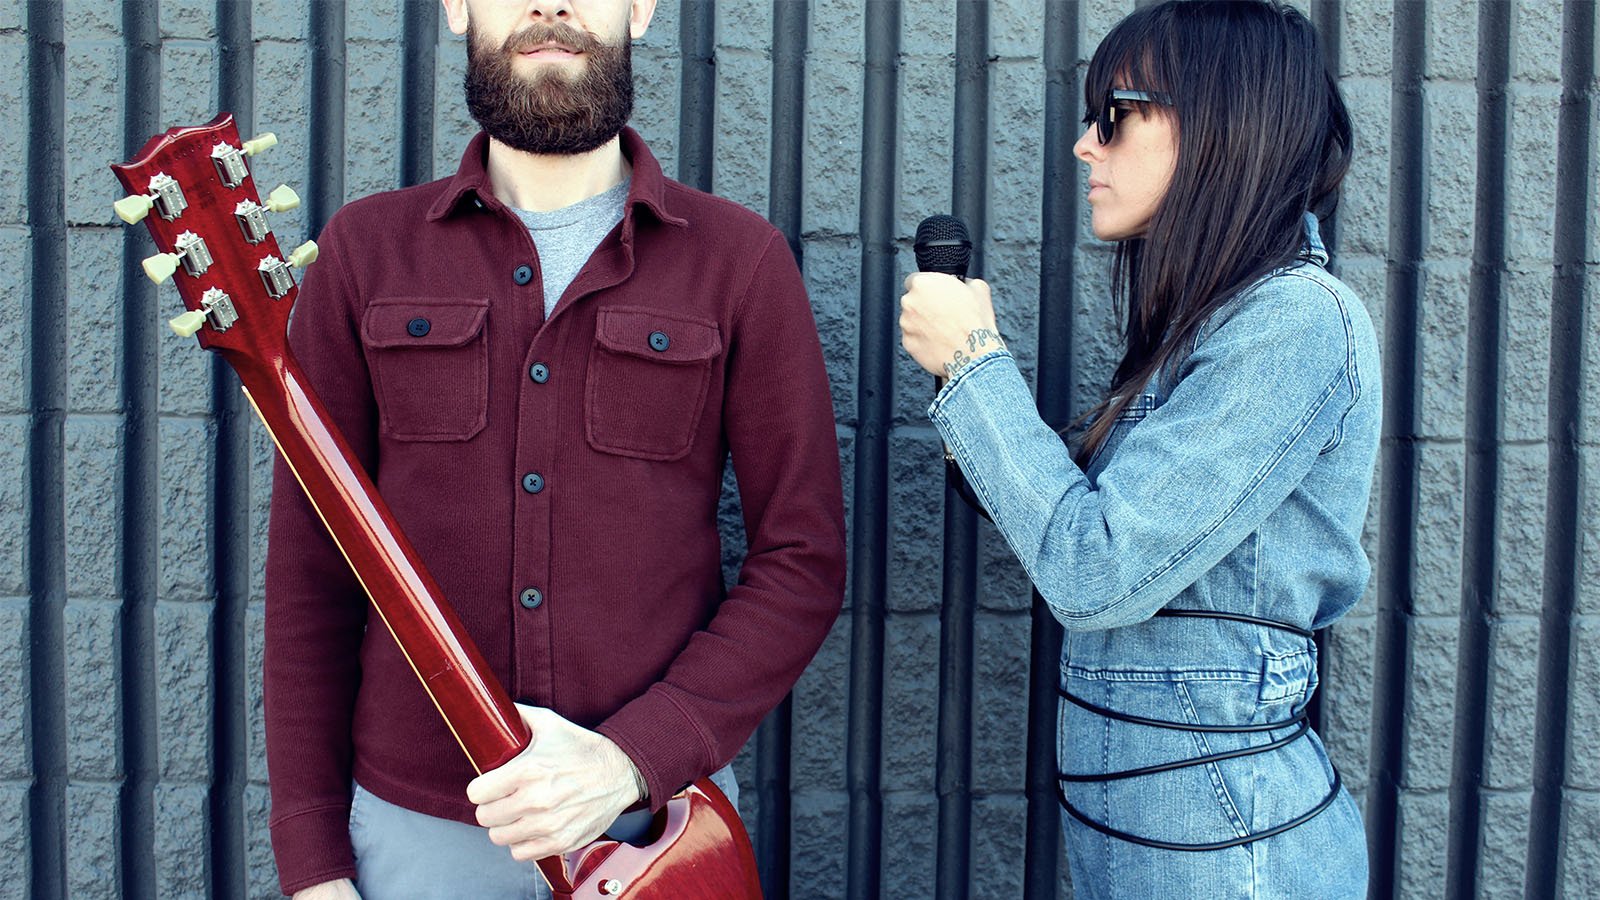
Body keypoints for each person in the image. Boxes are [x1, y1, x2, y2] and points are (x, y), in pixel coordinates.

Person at [263, 1, 846, 897]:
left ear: (642, 8)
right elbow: (312, 572)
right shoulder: (363, 254)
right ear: (457, 6)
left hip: (663, 832)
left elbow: (802, 563)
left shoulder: (742, 264)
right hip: (418, 838)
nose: (550, 4)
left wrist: (630, 759)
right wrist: (313, 864)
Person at [899, 2, 1373, 897]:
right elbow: (1081, 527)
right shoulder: (1210, 327)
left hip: (1235, 855)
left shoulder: (1298, 322)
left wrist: (972, 365)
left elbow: (1095, 571)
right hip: (1161, 843)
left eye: (1114, 116)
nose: (1085, 145)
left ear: (1223, 125)